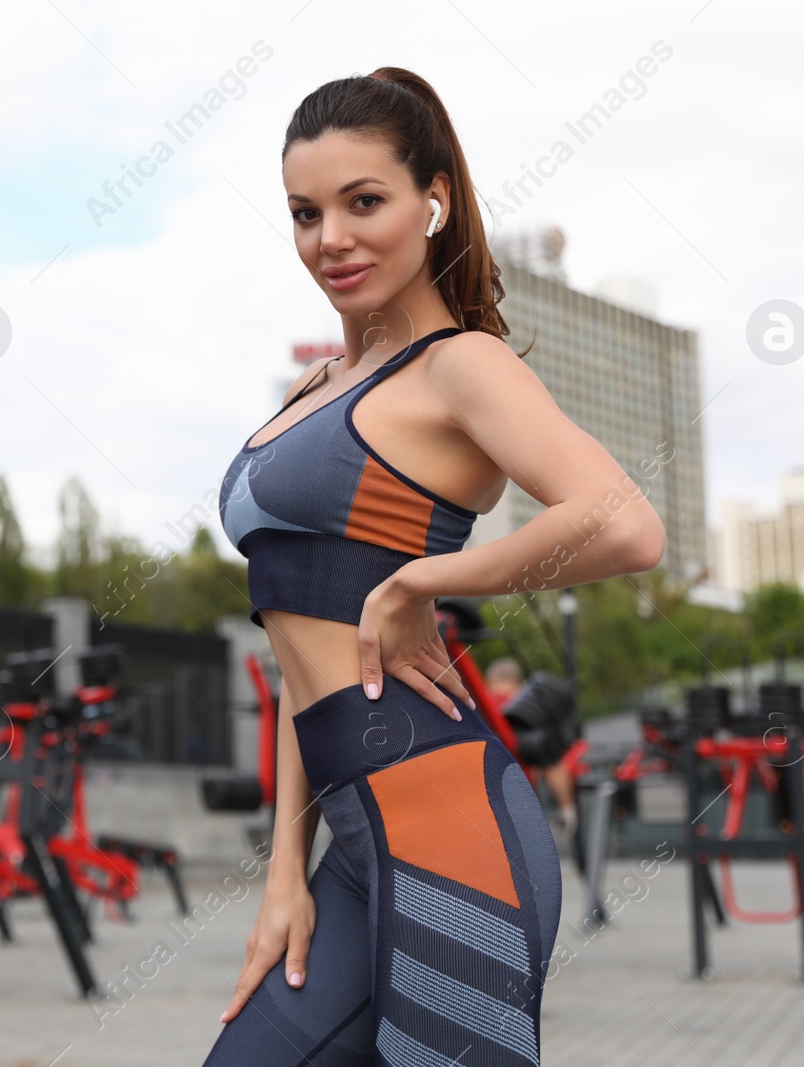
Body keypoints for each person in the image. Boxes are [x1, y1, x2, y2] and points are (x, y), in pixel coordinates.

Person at [205, 67, 665, 1065]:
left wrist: (424, 581)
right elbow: (298, 656)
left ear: (433, 201)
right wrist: (284, 866)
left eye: (363, 201)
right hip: (353, 844)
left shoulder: (461, 365)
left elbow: (627, 525)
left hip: (451, 836)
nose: (331, 237)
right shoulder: (315, 386)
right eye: (304, 212)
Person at [484, 657, 580, 842]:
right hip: (520, 796)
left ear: (492, 681)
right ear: (519, 683)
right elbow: (552, 766)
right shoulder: (530, 711)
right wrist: (568, 812)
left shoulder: (475, 705)